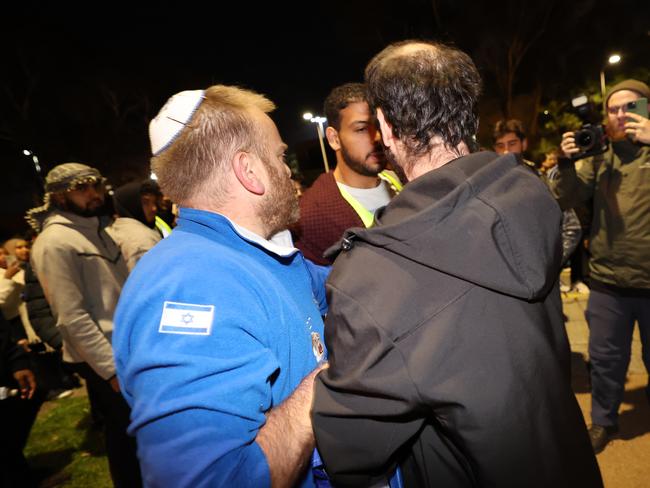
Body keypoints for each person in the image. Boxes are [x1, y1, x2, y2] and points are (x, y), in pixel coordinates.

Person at [311, 40, 602, 487]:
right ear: (473, 117)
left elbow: (352, 450)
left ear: (385, 129)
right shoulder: (529, 193)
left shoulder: (373, 275)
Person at [112, 85, 328, 487]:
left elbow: (335, 286)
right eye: (280, 157)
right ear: (248, 170)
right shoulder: (188, 287)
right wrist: (324, 388)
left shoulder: (251, 255)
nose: (289, 171)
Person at [26, 163, 141, 487]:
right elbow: (71, 316)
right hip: (104, 360)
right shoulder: (55, 242)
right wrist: (111, 370)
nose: (94, 194)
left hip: (125, 350)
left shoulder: (96, 230)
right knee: (130, 439)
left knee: (131, 436)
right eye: (82, 188)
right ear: (60, 196)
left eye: (96, 186)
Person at [551, 79, 650, 453]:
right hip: (609, 282)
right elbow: (563, 198)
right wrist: (567, 161)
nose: (621, 115)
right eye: (613, 109)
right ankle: (604, 421)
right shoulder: (600, 157)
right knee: (606, 361)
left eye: (631, 107)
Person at [293, 83, 401, 265]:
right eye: (361, 129)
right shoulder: (312, 216)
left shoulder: (400, 180)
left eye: (378, 126)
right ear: (334, 139)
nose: (376, 137)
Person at [493, 119, 582, 266]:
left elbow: (572, 227)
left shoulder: (537, 179)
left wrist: (550, 266)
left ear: (524, 144)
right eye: (500, 146)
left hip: (538, 272)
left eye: (512, 143)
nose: (506, 151)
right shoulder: (488, 184)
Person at [107, 179, 162, 271]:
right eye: (146, 203)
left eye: (153, 202)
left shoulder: (119, 229)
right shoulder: (141, 241)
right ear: (131, 204)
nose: (154, 208)